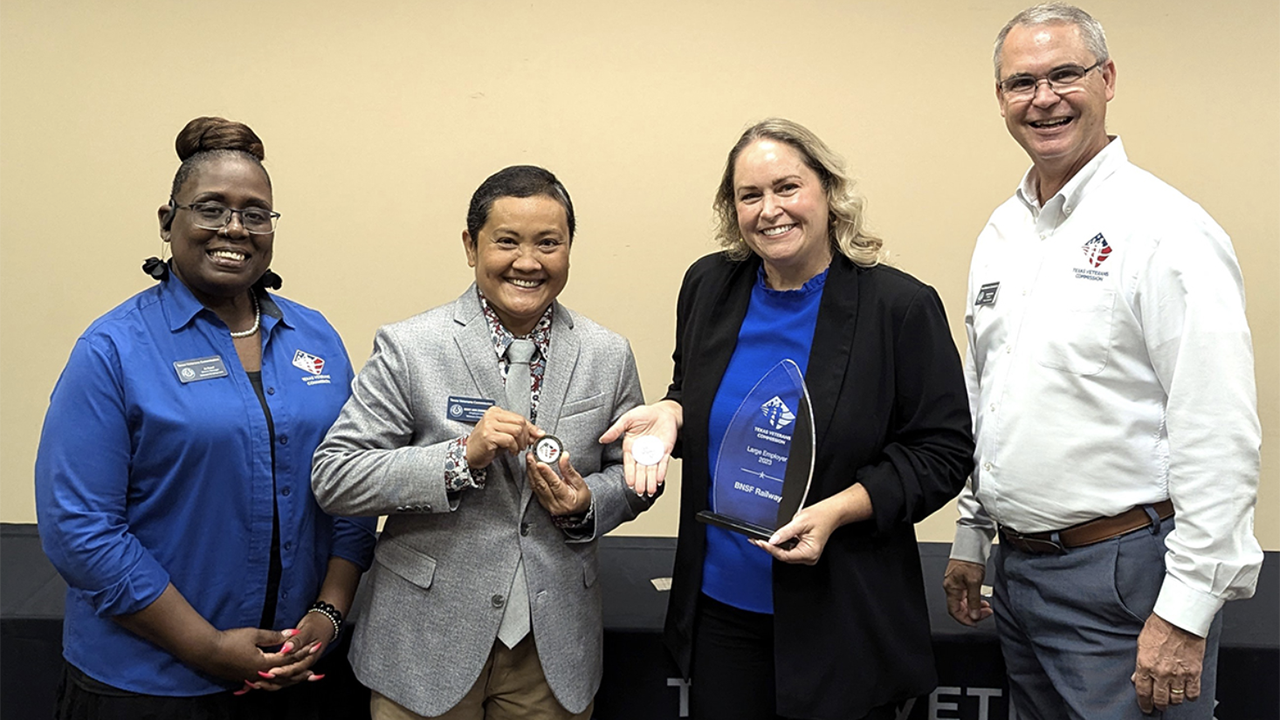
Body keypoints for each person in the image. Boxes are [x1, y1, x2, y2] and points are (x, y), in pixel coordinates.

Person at [942, 5, 1264, 719]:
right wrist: (974, 531)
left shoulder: (1167, 229)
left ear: (1108, 79)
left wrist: (1186, 610)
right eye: (1021, 82)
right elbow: (987, 392)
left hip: (1125, 578)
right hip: (1018, 572)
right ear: (1001, 99)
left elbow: (1218, 430)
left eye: (1065, 74)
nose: (1044, 98)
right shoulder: (1002, 230)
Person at [600, 118, 974, 720]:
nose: (770, 209)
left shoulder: (899, 307)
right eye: (750, 195)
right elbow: (691, 389)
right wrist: (671, 415)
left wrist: (838, 510)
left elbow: (943, 452)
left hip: (841, 613)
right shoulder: (709, 285)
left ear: (828, 192)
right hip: (721, 607)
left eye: (787, 187)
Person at [34, 116, 378, 719]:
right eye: (211, 209)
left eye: (255, 213)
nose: (235, 229)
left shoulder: (316, 337)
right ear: (169, 223)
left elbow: (350, 487)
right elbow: (79, 531)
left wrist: (327, 615)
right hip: (146, 686)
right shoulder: (113, 349)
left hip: (297, 672)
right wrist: (207, 646)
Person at [311, 165, 654, 720]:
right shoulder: (409, 347)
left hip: (553, 651)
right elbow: (336, 477)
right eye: (507, 241)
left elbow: (634, 475)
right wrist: (459, 458)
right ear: (471, 246)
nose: (528, 262)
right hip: (426, 645)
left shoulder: (607, 354)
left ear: (569, 249)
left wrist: (586, 504)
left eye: (548, 243)